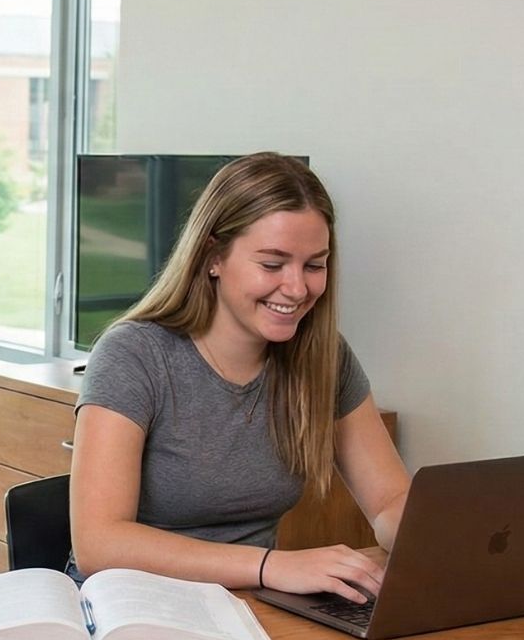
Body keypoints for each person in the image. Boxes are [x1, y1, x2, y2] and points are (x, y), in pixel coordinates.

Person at [69, 152, 410, 603]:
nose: (297, 288)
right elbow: (99, 544)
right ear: (213, 256)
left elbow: (389, 501)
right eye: (272, 265)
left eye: (314, 265)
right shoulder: (134, 354)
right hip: (130, 609)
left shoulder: (322, 358)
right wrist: (271, 566)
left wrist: (442, 540)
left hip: (248, 605)